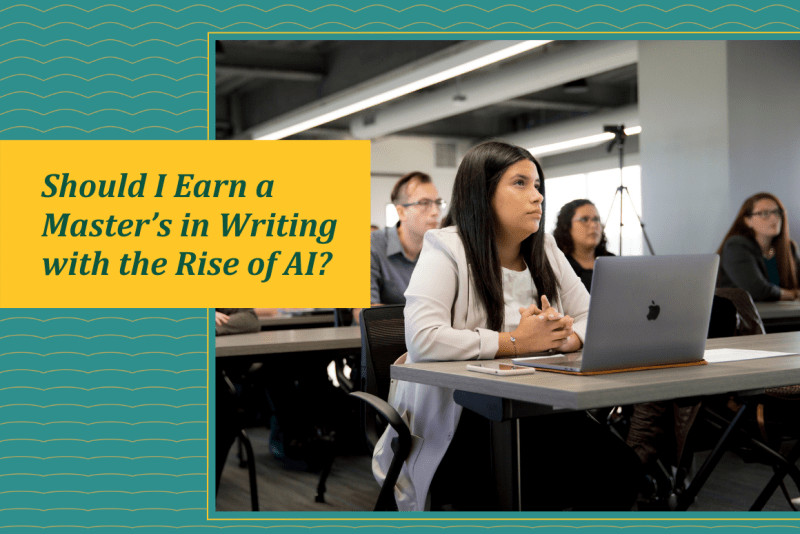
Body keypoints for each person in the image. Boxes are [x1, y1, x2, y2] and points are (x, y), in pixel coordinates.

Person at [371, 141, 641, 511]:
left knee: (620, 469)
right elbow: (423, 340)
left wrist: (565, 339)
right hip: (467, 418)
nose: (537, 197)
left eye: (537, 185)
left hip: (540, 405)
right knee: (549, 480)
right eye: (521, 184)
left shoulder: (544, 247)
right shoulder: (446, 247)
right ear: (482, 193)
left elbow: (591, 316)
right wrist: (515, 341)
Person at [370, 171, 444, 306]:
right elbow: (363, 311)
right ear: (401, 212)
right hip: (380, 328)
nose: (435, 212)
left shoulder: (441, 250)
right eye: (424, 203)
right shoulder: (371, 245)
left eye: (437, 202)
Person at [717, 192, 800, 301]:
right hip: (740, 315)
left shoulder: (788, 247)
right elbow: (757, 291)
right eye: (765, 213)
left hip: (782, 313)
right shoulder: (736, 246)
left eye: (777, 212)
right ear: (748, 221)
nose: (774, 218)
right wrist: (793, 294)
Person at [553, 199, 614, 291]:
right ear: (567, 226)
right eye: (584, 219)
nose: (593, 224)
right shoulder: (558, 267)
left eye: (596, 219)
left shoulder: (613, 262)